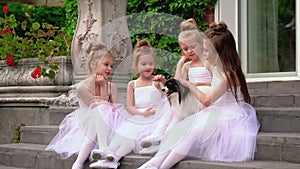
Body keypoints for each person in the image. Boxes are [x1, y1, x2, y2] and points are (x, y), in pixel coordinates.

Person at [138, 22, 260, 169]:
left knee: (192, 132)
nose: (205, 54)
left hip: (230, 115)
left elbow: (207, 101)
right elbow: (182, 81)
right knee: (182, 129)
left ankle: (163, 166)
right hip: (216, 110)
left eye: (207, 51)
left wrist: (190, 85)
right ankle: (154, 163)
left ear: (219, 53)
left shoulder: (229, 75)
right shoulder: (212, 66)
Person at [89, 39, 172, 168]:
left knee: (132, 137)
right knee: (125, 134)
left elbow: (164, 98)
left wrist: (162, 84)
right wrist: (140, 113)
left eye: (151, 63)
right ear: (136, 65)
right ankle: (107, 155)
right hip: (138, 116)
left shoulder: (155, 82)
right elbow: (129, 106)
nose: (148, 67)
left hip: (153, 119)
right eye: (143, 64)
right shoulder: (132, 84)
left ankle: (114, 159)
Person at [138, 18, 213, 154]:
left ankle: (161, 139)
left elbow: (216, 82)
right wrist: (180, 64)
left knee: (177, 108)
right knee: (173, 108)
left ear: (201, 44)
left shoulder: (207, 62)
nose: (189, 51)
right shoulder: (187, 66)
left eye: (192, 47)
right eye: (185, 49)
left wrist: (195, 85)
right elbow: (178, 83)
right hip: (191, 97)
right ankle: (158, 137)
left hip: (203, 96)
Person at [45, 42, 124, 169]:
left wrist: (103, 86)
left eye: (111, 66)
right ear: (93, 64)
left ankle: (79, 162)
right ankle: (99, 150)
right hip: (86, 126)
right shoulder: (82, 87)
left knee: (102, 110)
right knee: (98, 112)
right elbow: (97, 108)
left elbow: (112, 109)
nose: (110, 68)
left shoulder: (111, 86)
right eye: (106, 64)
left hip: (109, 125)